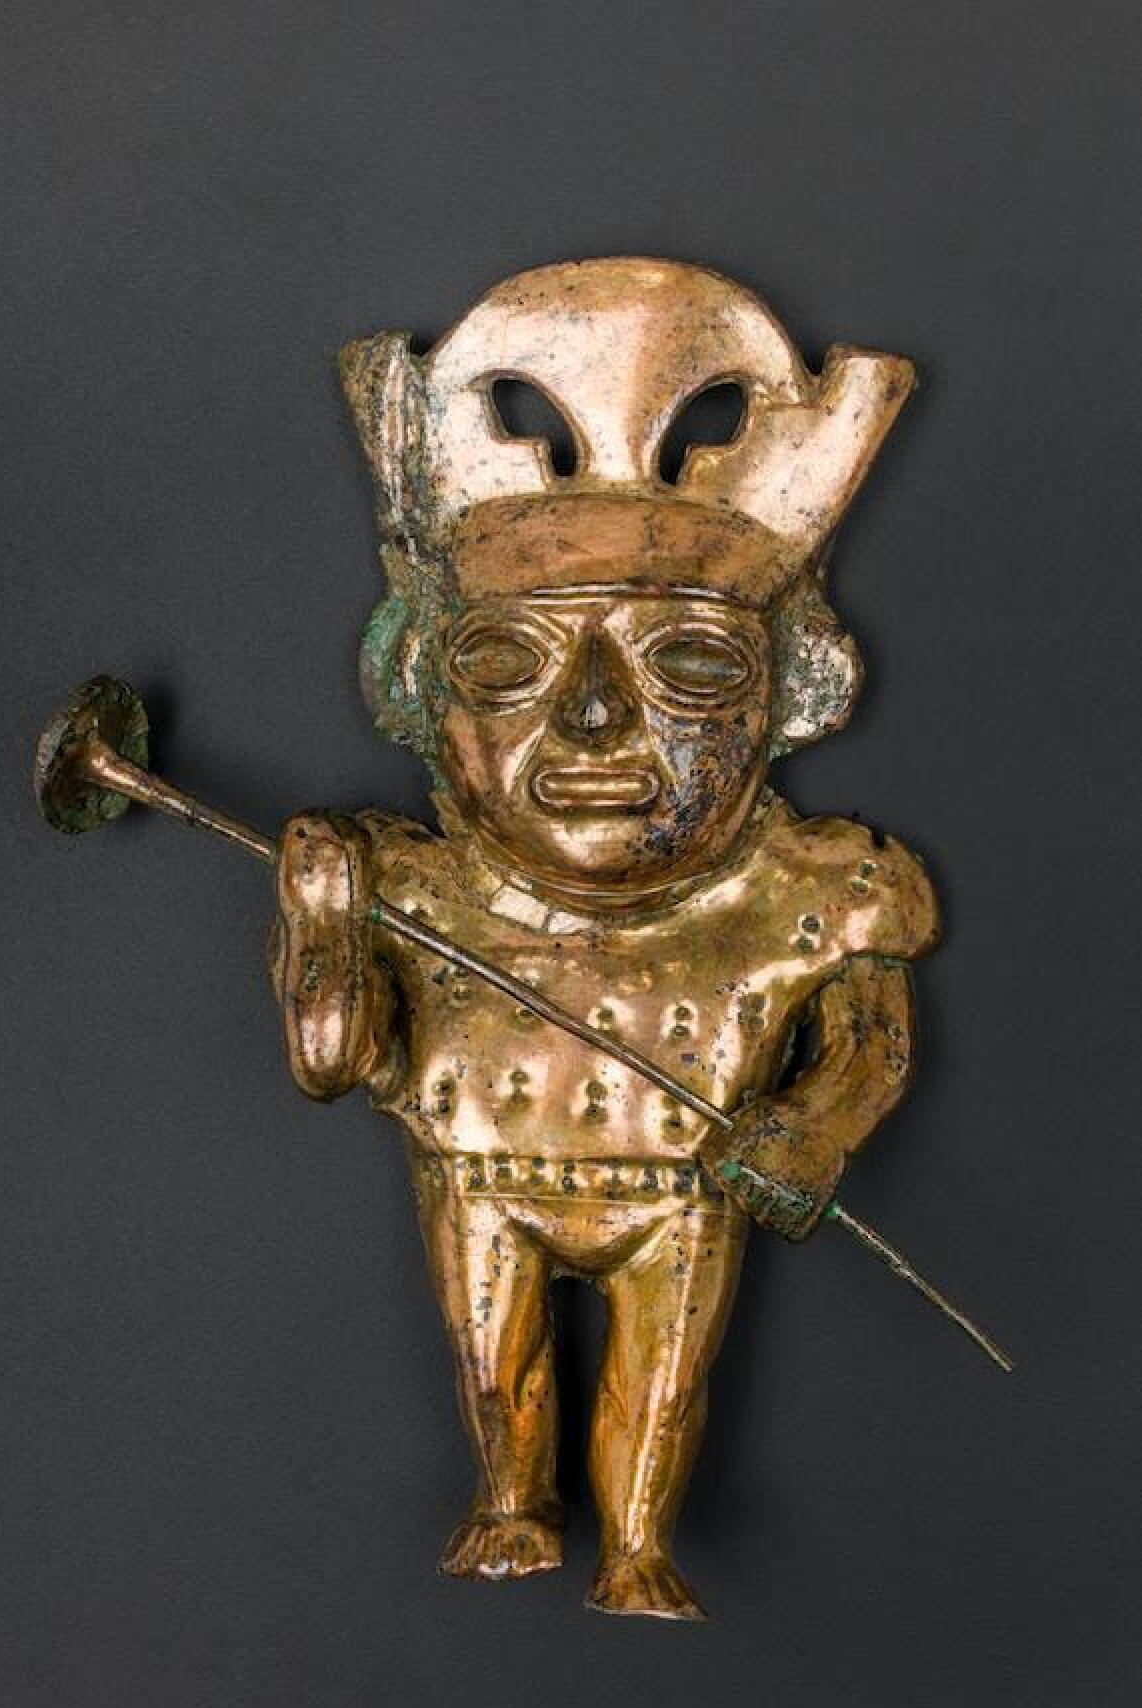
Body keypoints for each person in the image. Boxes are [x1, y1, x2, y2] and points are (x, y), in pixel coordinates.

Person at [270, 259, 938, 1620]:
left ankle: (637, 1546)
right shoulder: (409, 884)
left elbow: (867, 1050)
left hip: (680, 1186)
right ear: (420, 691)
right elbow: (335, 1062)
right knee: (492, 1359)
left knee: (666, 1372)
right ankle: (509, 1499)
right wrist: (328, 923)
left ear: (790, 696)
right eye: (507, 663)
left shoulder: (820, 890)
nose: (589, 717)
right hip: (483, 1170)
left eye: (686, 663)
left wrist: (812, 1129)